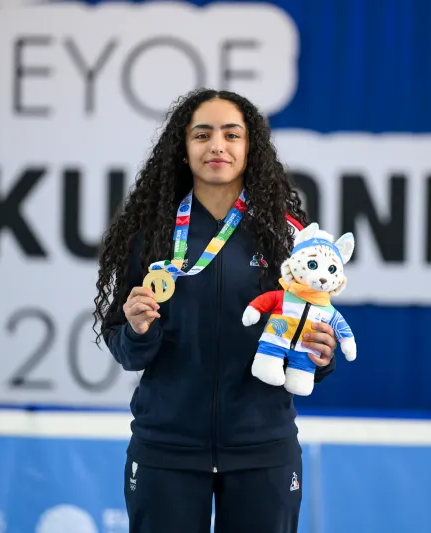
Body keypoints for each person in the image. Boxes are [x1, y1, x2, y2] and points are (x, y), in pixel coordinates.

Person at [93, 88, 338, 533]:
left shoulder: (286, 236)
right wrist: (136, 330)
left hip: (263, 448)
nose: (217, 146)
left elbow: (305, 335)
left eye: (232, 134)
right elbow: (126, 349)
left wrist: (319, 356)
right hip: (166, 448)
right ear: (184, 149)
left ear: (251, 148)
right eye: (202, 134)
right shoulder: (152, 233)